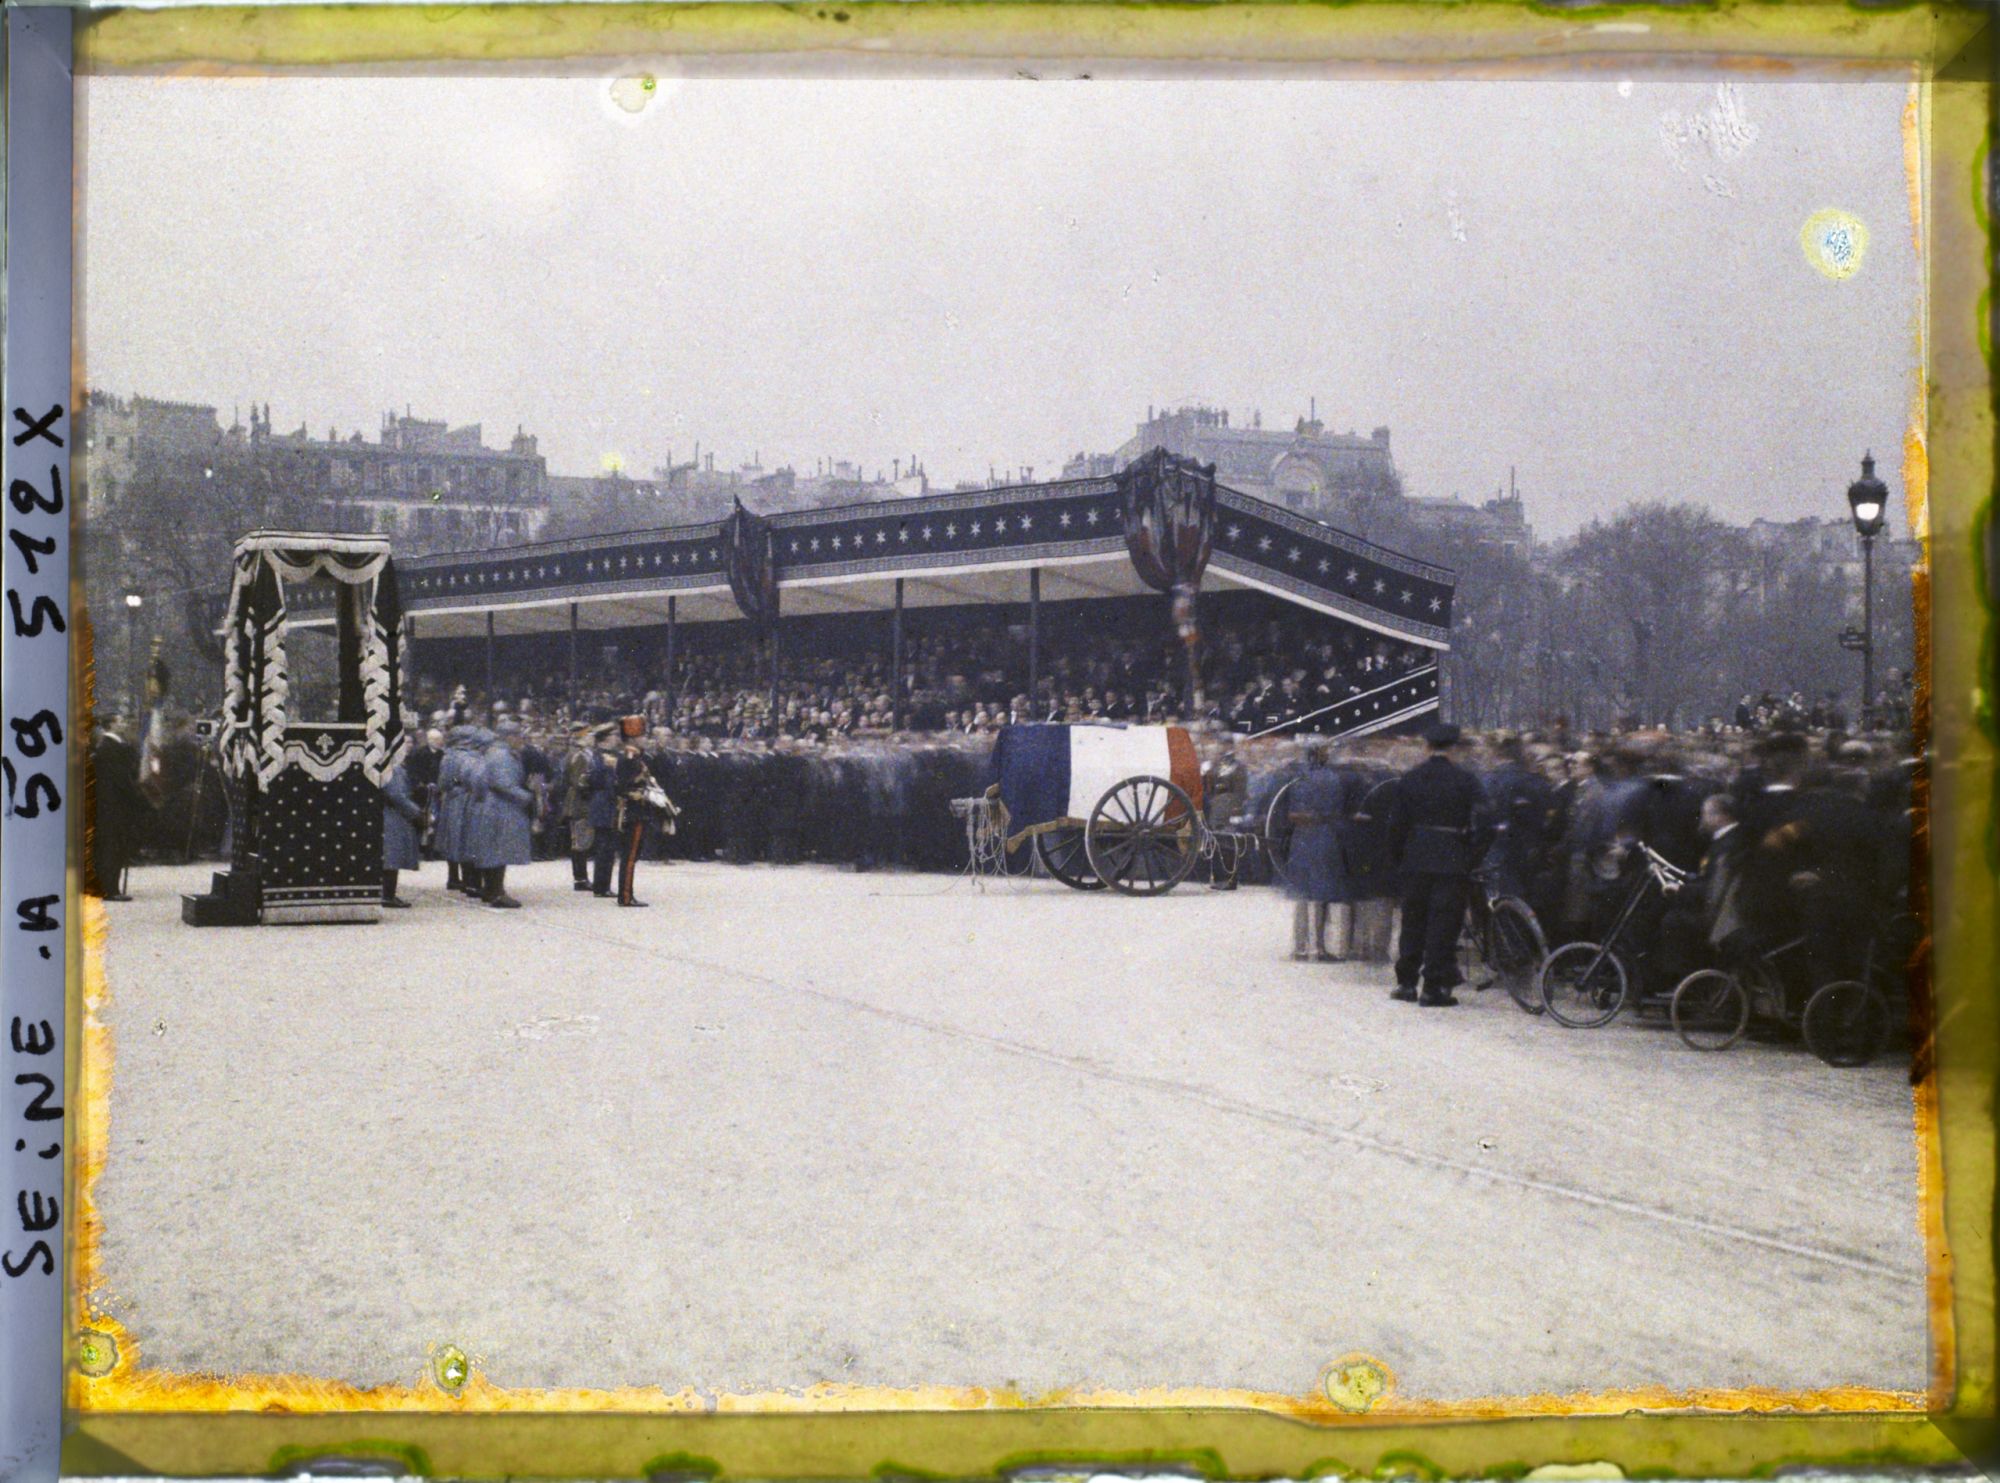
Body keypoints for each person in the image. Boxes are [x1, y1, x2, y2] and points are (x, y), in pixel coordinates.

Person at [1385, 723, 1493, 1006]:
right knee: (1444, 925)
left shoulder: (1410, 778)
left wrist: (1400, 857)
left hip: (1416, 858)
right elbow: (1486, 822)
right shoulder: (1466, 780)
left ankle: (1406, 983)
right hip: (1453, 859)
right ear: (1454, 748)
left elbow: (1396, 824)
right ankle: (1434, 987)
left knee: (1413, 921)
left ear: (1426, 747)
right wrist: (1472, 855)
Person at [470, 719, 534, 909]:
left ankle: (492, 890)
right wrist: (528, 797)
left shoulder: (494, 753)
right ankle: (496, 892)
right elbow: (503, 784)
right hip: (500, 807)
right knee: (499, 850)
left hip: (494, 806)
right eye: (519, 736)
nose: (521, 740)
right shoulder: (502, 755)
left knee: (494, 849)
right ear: (509, 736)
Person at [89, 712, 151, 901]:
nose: (125, 723)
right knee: (112, 847)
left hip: (111, 805)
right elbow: (121, 779)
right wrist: (138, 797)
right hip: (113, 806)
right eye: (121, 720)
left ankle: (108, 887)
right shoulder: (110, 747)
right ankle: (110, 889)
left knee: (111, 847)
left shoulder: (111, 745)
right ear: (111, 725)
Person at [381, 752, 425, 908]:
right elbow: (397, 795)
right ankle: (388, 895)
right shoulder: (394, 769)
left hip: (387, 813)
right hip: (394, 815)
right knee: (392, 856)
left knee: (389, 855)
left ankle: (387, 893)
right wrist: (416, 812)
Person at [561, 723, 598, 891]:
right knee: (580, 841)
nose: (592, 738)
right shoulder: (579, 756)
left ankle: (581, 877)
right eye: (589, 734)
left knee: (582, 840)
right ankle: (580, 879)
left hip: (581, 801)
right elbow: (579, 781)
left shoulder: (583, 754)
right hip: (580, 801)